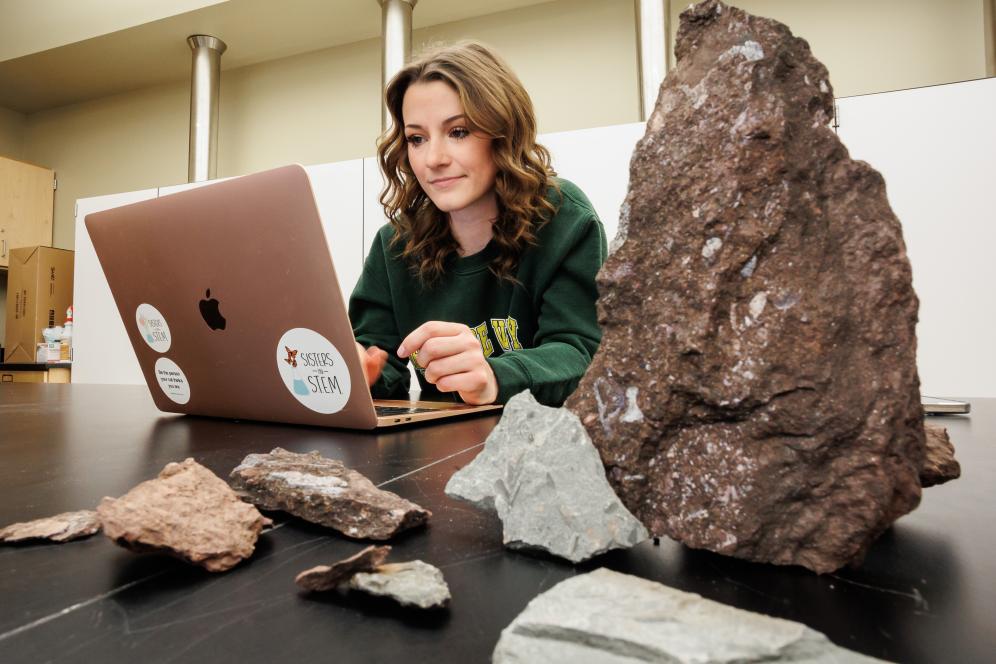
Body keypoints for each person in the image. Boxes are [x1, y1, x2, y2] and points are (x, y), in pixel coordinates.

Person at [349, 41, 606, 408]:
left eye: (458, 132)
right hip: (436, 449)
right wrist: (359, 370)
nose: (433, 159)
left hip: (549, 447)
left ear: (503, 132)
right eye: (417, 139)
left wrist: (492, 376)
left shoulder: (564, 217)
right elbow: (382, 363)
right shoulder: (394, 244)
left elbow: (582, 353)